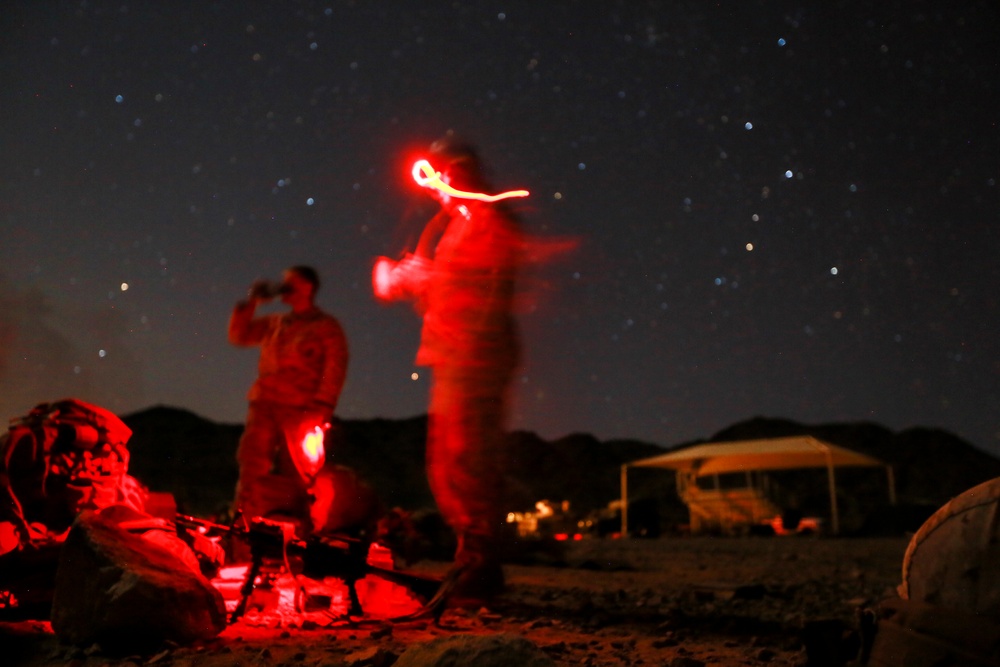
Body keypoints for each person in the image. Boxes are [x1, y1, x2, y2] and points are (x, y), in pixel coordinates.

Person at [373, 137, 523, 608]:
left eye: (448, 174)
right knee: (448, 462)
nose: (439, 184)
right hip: (454, 357)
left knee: (467, 462)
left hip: (475, 358)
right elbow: (453, 287)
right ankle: (474, 561)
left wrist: (424, 279)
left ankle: (480, 568)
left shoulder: (489, 223)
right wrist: (413, 280)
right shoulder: (460, 225)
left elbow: (480, 290)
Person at [228, 265, 348, 552]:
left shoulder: (326, 327)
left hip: (303, 409)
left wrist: (323, 405)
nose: (285, 287)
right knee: (251, 469)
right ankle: (242, 539)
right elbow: (240, 335)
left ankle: (300, 545)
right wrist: (252, 303)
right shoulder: (275, 323)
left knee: (300, 477)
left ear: (308, 287)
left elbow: (335, 367)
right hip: (265, 404)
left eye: (291, 283)